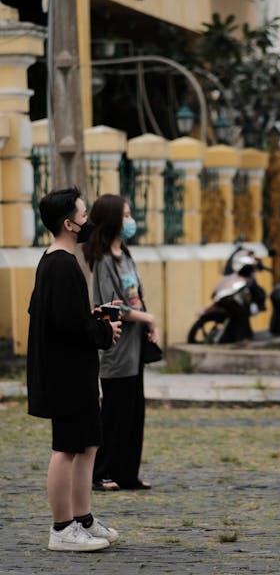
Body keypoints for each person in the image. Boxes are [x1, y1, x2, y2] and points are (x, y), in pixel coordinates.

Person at [27, 187, 121, 551]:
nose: (89, 221)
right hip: (64, 373)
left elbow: (57, 316)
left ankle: (82, 518)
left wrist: (92, 318)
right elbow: (68, 326)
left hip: (76, 371)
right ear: (68, 224)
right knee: (66, 448)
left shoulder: (56, 260)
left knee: (88, 444)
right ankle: (62, 528)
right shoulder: (60, 263)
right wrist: (102, 329)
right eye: (83, 215)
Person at [83, 194, 159, 491]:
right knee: (114, 413)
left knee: (133, 412)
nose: (130, 221)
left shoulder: (125, 255)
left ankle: (128, 473)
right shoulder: (102, 262)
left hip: (135, 347)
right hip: (116, 348)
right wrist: (147, 318)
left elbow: (136, 296)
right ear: (112, 219)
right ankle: (100, 472)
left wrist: (149, 324)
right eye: (125, 215)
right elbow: (111, 305)